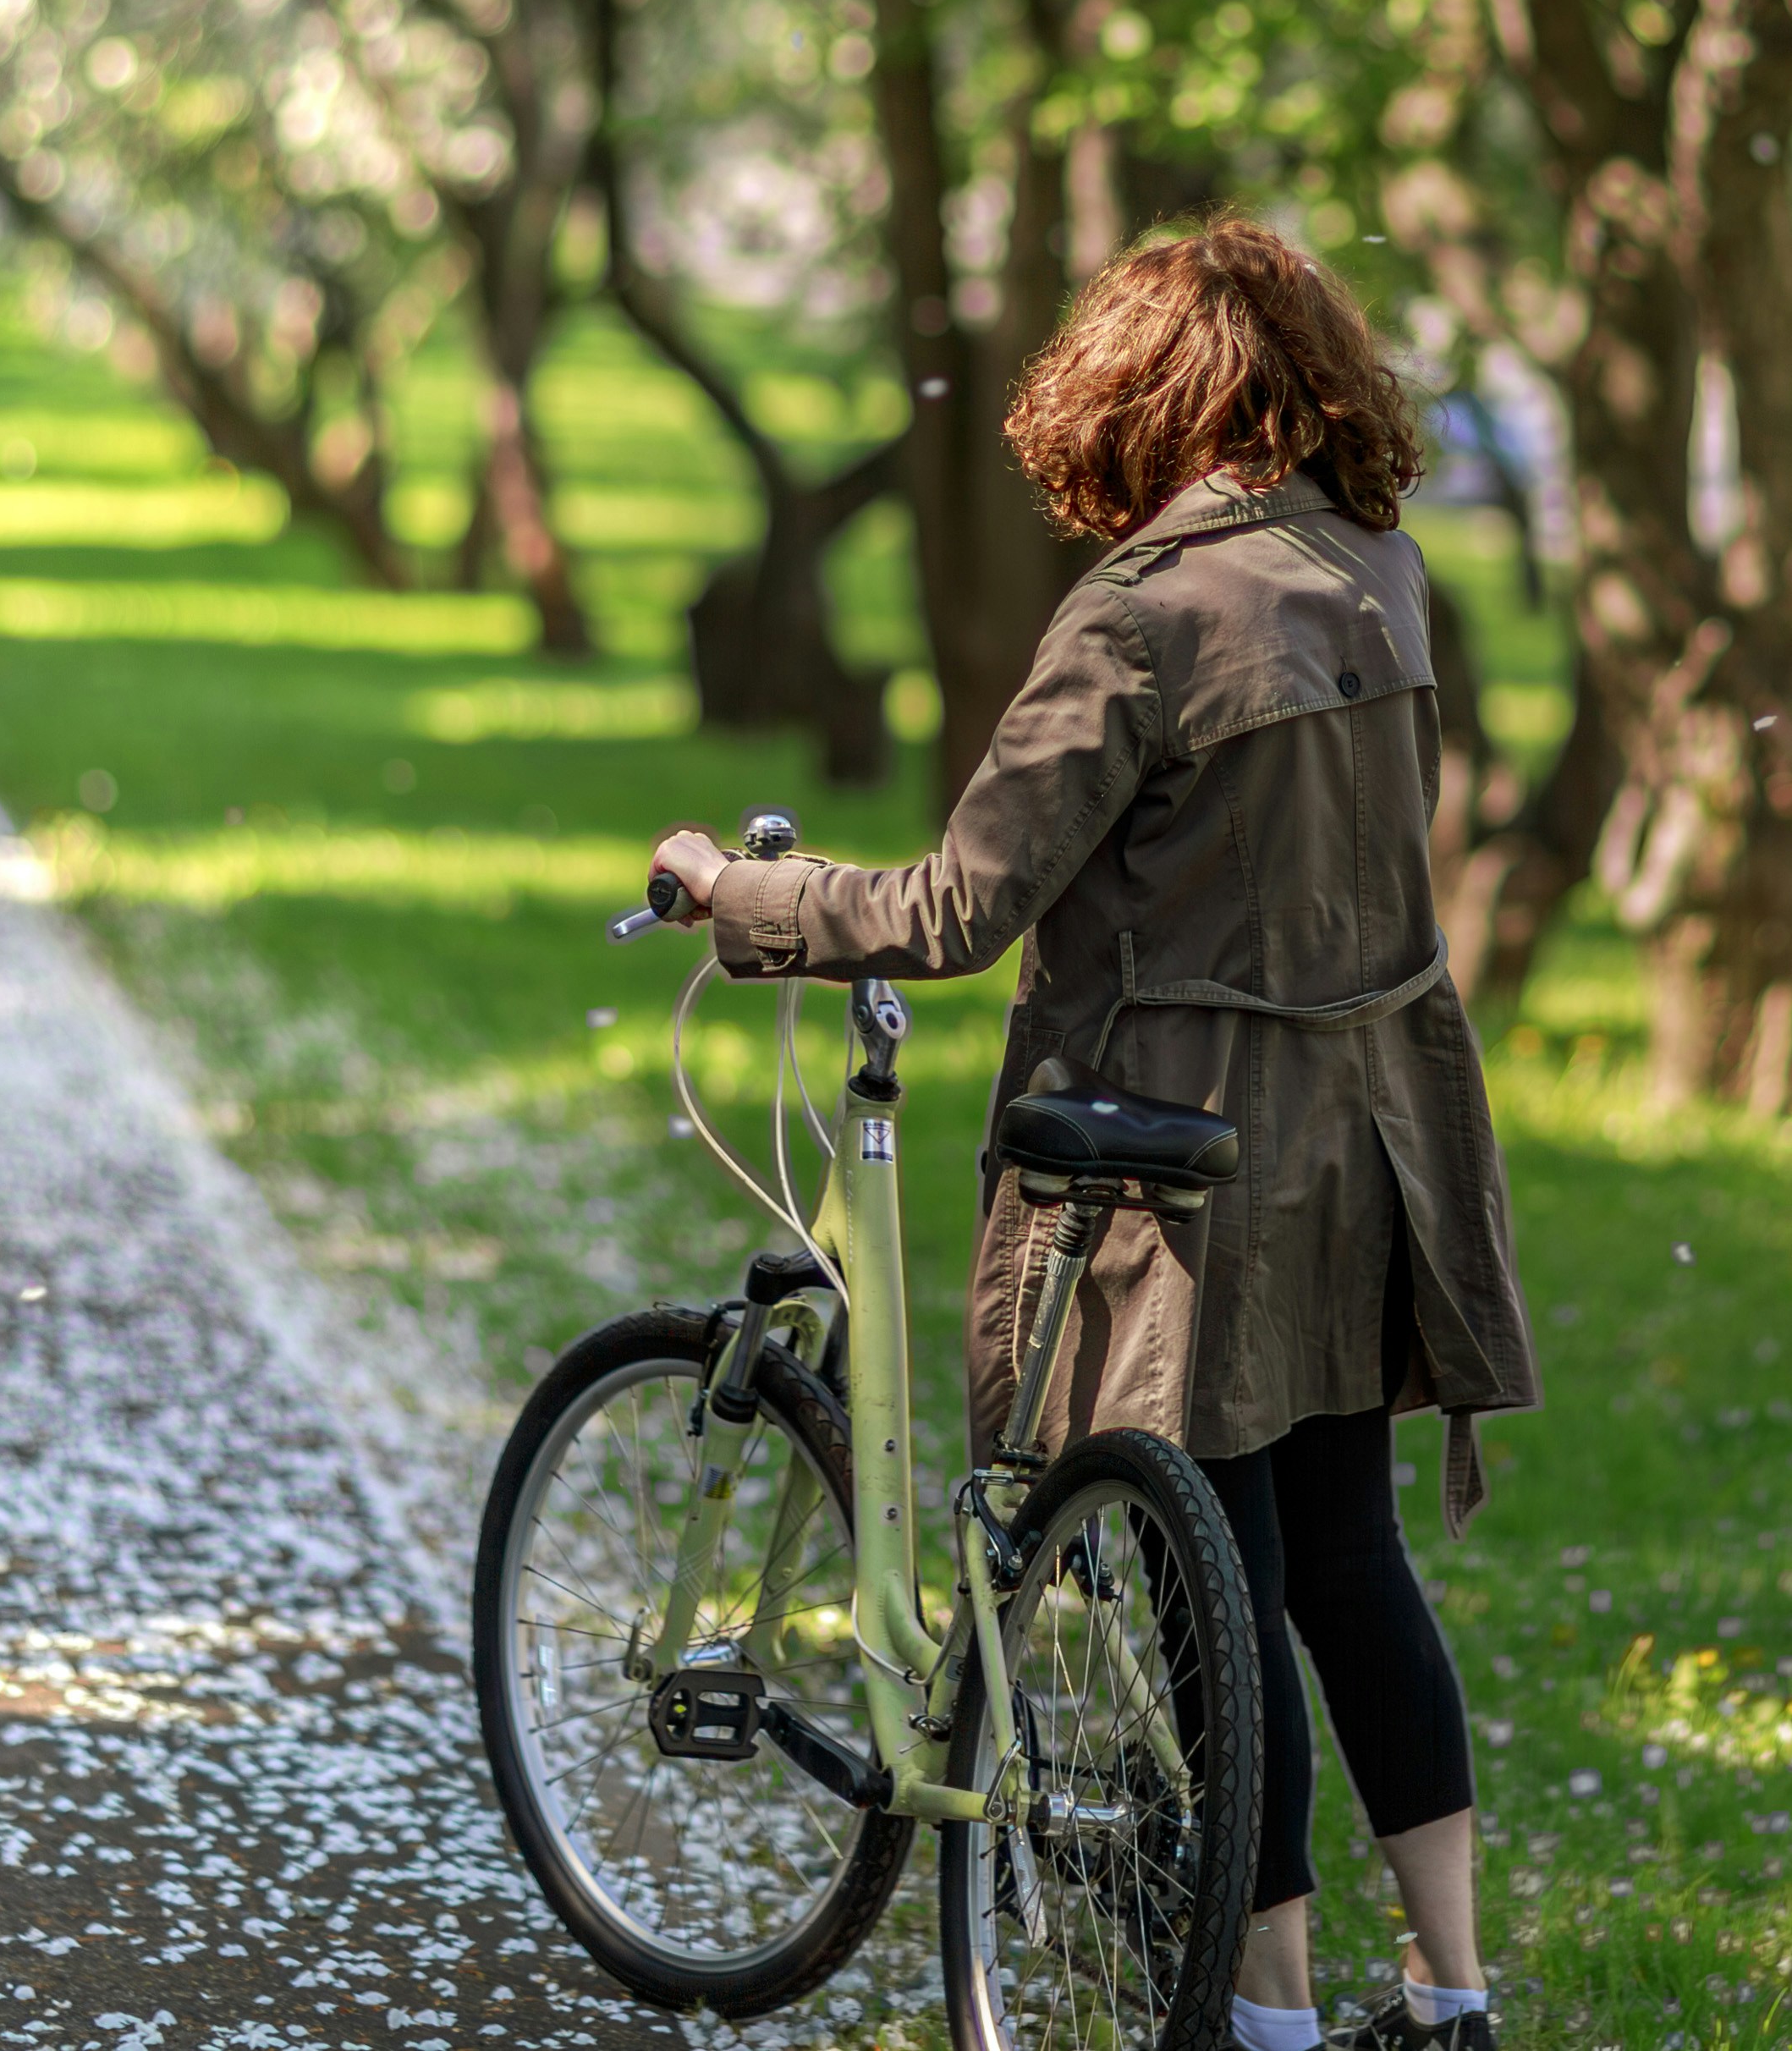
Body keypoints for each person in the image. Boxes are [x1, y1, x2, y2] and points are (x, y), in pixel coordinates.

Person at [647, 217, 1541, 2051]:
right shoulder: (1380, 568)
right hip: (1367, 1135)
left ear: (1142, 389)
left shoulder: (1143, 611)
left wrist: (739, 892)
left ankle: (1270, 2015)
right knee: (1346, 1559)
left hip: (1173, 1165)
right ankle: (1452, 1989)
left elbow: (954, 908)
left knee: (1221, 1575)